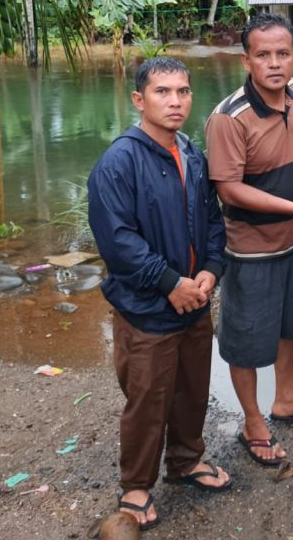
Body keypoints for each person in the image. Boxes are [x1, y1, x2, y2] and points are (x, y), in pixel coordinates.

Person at [87, 57, 231, 532]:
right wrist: (170, 283)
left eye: (183, 92)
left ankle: (187, 461)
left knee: (192, 389)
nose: (175, 101)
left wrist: (211, 270)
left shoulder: (190, 152)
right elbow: (118, 241)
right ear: (138, 100)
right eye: (162, 92)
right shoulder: (118, 162)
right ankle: (136, 485)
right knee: (147, 399)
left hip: (195, 299)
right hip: (148, 306)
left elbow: (211, 220)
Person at [205, 12, 293, 468]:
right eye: (263, 55)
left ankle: (286, 398)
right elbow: (229, 188)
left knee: (292, 325)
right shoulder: (229, 118)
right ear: (246, 60)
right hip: (251, 248)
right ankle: (252, 421)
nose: (274, 64)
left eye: (283, 54)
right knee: (247, 340)